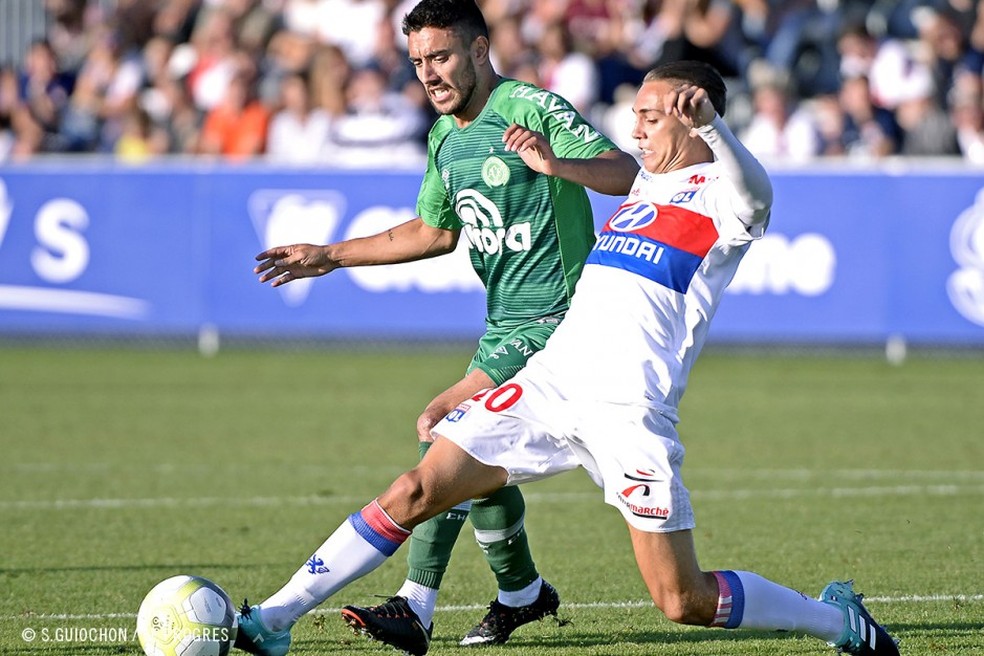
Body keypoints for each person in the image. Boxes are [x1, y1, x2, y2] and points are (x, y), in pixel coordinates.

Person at [236, 59, 901, 656]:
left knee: (683, 600)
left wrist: (718, 130)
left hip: (628, 411)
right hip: (551, 382)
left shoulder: (723, 195)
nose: (635, 127)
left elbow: (757, 195)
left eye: (649, 115)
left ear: (694, 115)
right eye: (633, 114)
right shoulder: (646, 186)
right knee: (417, 489)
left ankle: (837, 622)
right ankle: (274, 619)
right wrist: (554, 167)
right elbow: (609, 177)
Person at [246, 1, 639, 655]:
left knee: (446, 430)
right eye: (419, 61)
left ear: (480, 52)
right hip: (504, 330)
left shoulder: (532, 108)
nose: (429, 73)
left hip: (561, 325)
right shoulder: (444, 138)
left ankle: (414, 604)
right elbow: (433, 233)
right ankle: (521, 593)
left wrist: (557, 166)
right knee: (476, 462)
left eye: (442, 56)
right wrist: (331, 256)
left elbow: (627, 171)